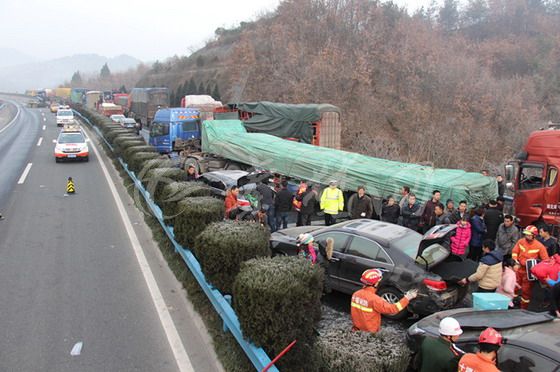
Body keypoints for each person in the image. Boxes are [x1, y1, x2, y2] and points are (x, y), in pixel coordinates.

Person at [351, 269, 417, 333]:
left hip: (356, 330)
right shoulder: (375, 300)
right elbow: (393, 309)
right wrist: (407, 298)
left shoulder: (356, 294)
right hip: (370, 332)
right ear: (376, 283)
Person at [512, 225, 550, 309]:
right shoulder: (521, 241)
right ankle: (511, 303)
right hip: (519, 269)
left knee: (526, 291)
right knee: (513, 287)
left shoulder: (539, 246)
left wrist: (537, 268)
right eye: (526, 234)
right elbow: (515, 252)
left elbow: (545, 261)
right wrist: (515, 262)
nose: (527, 236)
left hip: (529, 272)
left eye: (529, 235)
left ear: (534, 235)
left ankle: (523, 308)